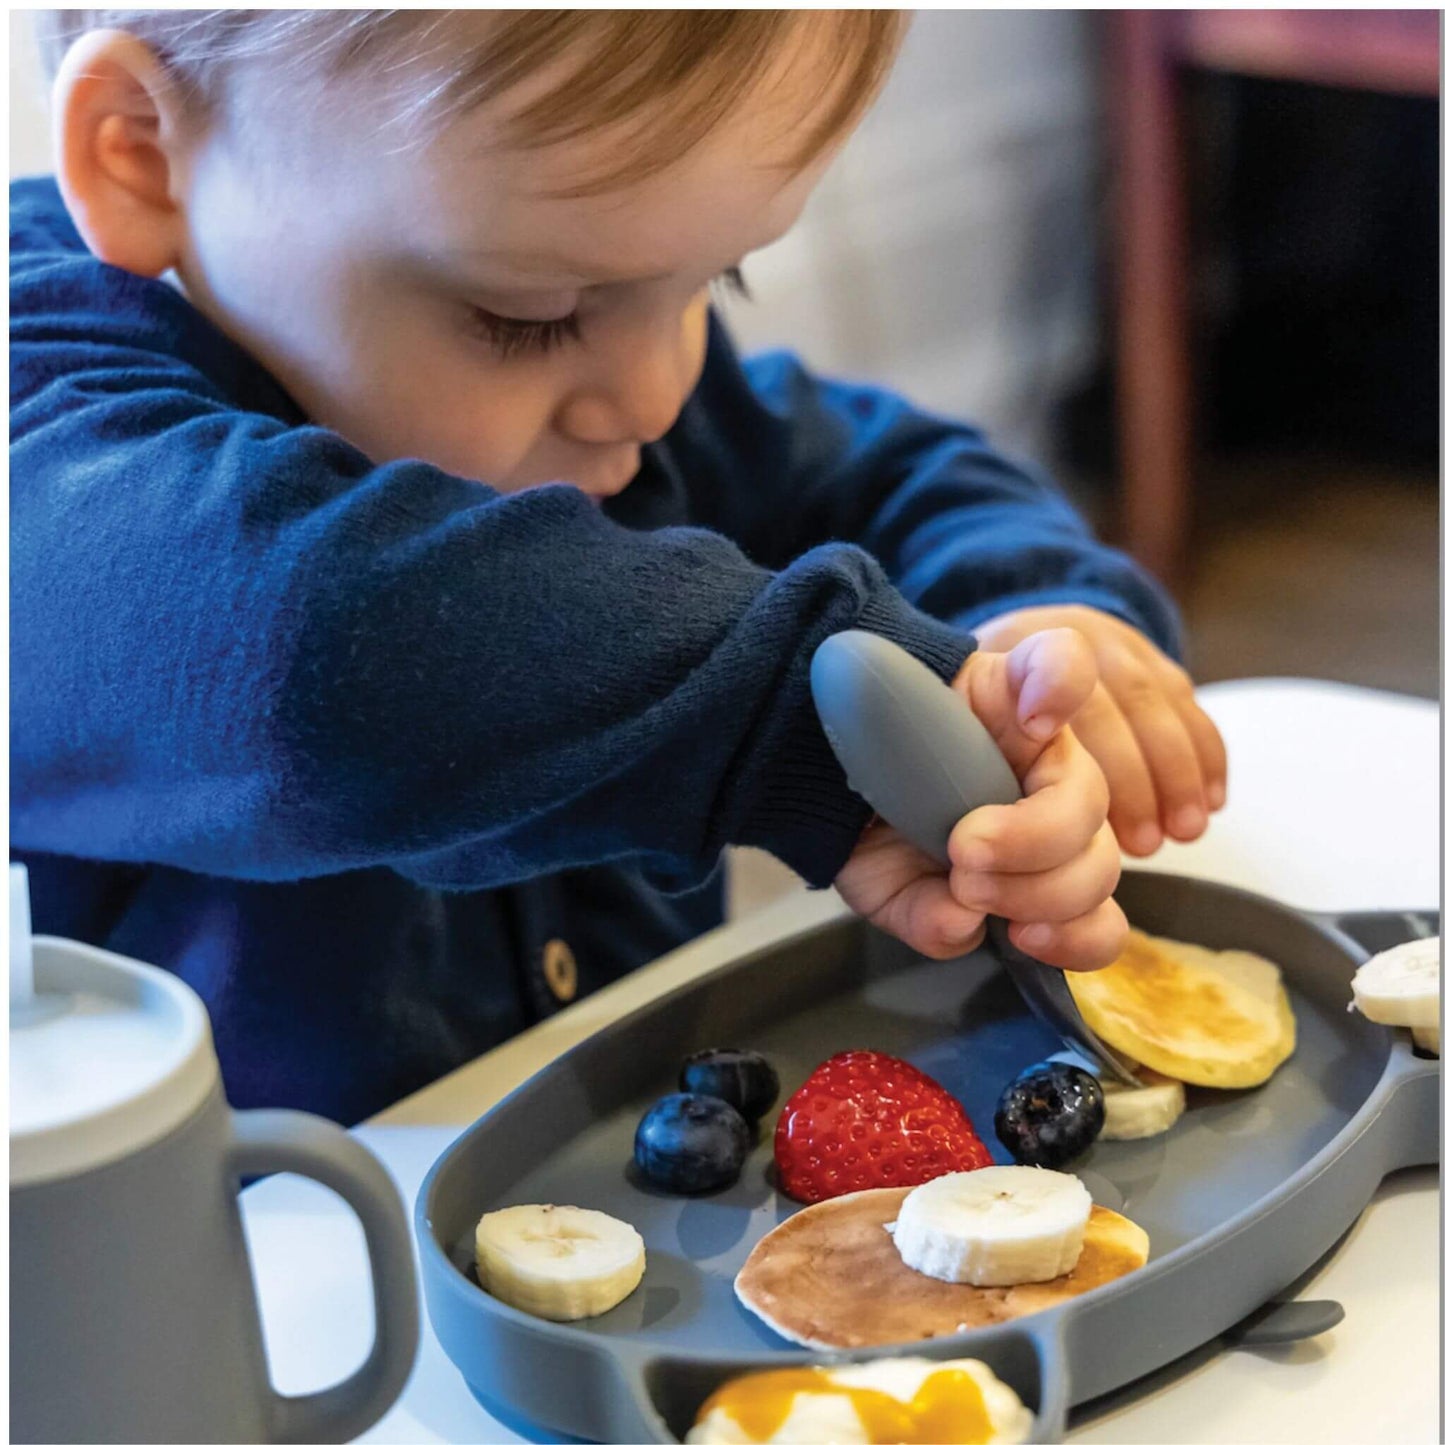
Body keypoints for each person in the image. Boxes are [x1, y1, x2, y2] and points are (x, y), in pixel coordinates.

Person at [11, 12, 1226, 1124]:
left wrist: (1033, 630)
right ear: (140, 153)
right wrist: (778, 725)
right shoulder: (46, 462)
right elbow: (305, 652)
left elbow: (883, 471)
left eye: (716, 277)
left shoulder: (611, 373)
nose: (651, 394)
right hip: (261, 1309)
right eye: (528, 314)